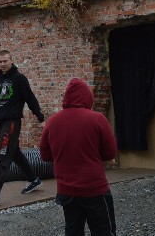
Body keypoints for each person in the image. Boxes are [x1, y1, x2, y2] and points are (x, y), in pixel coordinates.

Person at [39, 78, 118, 236]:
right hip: (94, 188)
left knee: (73, 231)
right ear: (87, 98)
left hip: (67, 189)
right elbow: (110, 152)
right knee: (104, 231)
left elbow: (45, 155)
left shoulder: (52, 122)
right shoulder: (97, 119)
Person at [0, 49, 45, 205]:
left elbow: (30, 98)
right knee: (15, 152)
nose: (2, 64)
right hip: (0, 122)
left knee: (3, 156)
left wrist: (39, 116)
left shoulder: (19, 79)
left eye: (5, 61)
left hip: (12, 122)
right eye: (0, 61)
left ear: (11, 61)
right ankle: (34, 180)